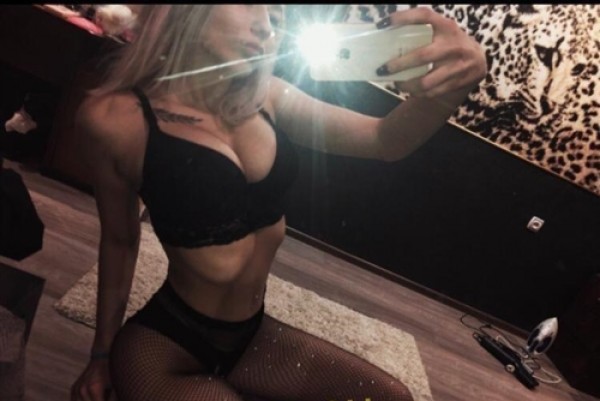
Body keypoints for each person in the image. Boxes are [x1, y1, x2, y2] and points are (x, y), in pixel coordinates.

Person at [71, 5, 486, 401]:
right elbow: (120, 241)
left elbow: (385, 140)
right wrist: (100, 356)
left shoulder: (267, 97)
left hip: (250, 337)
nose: (265, 24)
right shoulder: (115, 119)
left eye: (275, 14)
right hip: (163, 349)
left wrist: (447, 93)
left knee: (391, 396)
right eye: (249, 4)